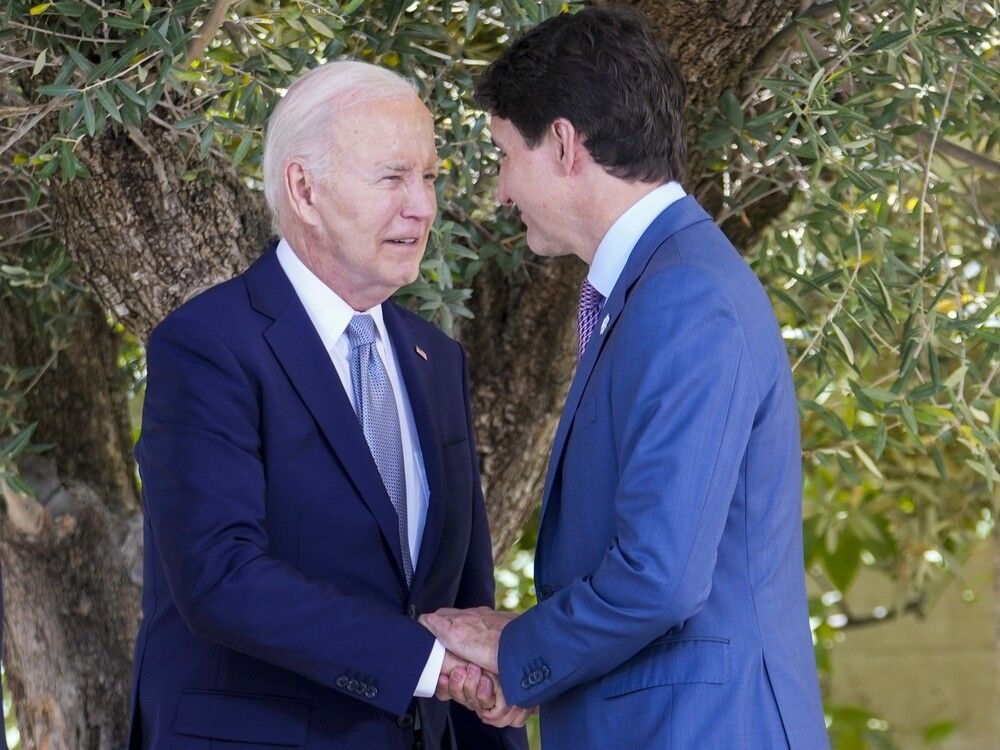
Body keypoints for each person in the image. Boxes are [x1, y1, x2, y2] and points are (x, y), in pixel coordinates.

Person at [421, 7, 829, 748]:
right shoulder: (659, 287)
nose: (501, 192)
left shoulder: (685, 299)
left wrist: (519, 656)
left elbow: (661, 578)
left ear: (566, 144)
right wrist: (532, 644)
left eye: (506, 155)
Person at [128, 60, 526, 750]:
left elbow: (464, 599)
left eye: (430, 177)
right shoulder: (206, 346)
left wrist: (485, 694)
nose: (424, 206)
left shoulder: (437, 360)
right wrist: (429, 665)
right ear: (305, 189)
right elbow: (220, 576)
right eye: (393, 177)